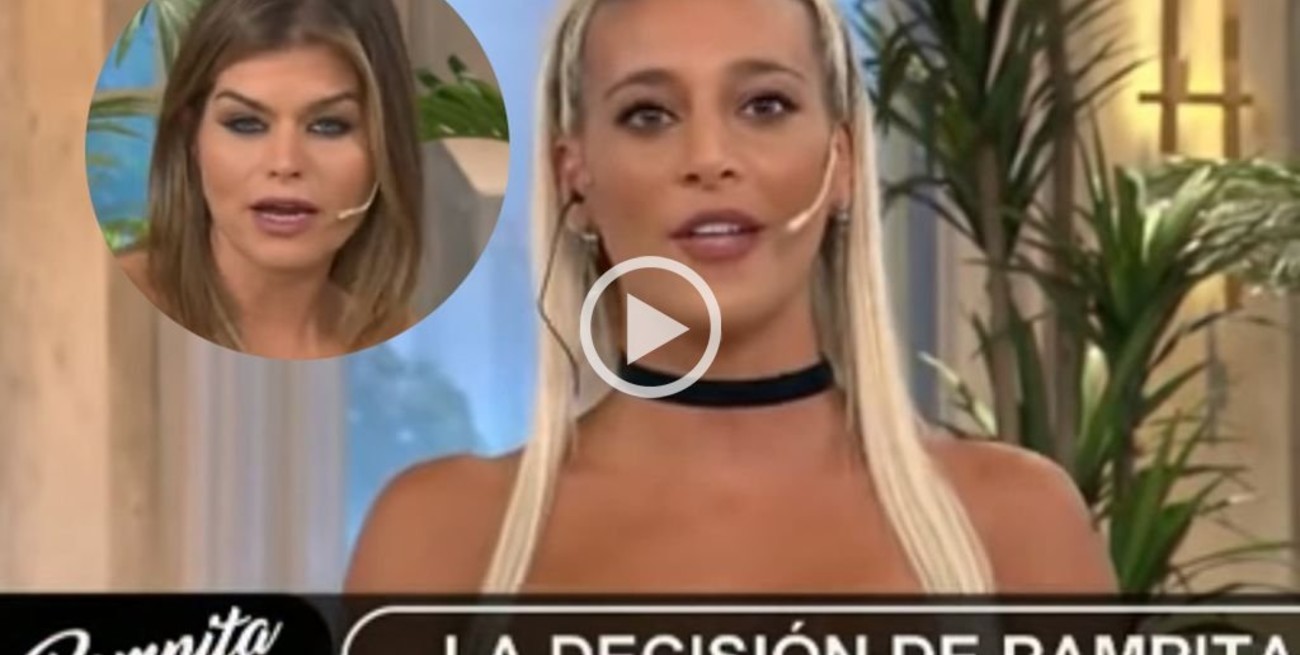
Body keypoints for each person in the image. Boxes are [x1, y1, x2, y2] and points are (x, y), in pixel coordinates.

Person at [347, 0, 1117, 594]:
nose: (710, 158)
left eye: (765, 105)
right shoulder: (440, 539)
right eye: (649, 114)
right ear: (574, 176)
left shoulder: (1018, 525)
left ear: (842, 162)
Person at [118, 0, 423, 359]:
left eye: (329, 126)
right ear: (191, 139)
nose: (285, 163)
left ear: (385, 146)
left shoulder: (394, 343)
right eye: (245, 123)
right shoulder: (107, 307)